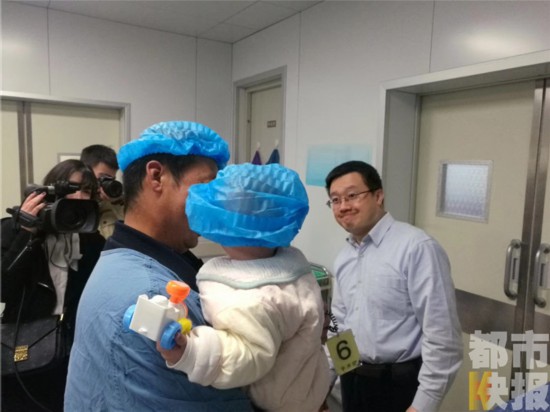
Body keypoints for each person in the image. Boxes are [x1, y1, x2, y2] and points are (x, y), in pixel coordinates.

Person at [64, 121, 252, 411]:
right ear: (156, 176)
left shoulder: (122, 258)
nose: (215, 205)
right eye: (206, 187)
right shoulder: (154, 295)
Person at [157, 163, 331, 412]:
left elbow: (248, 356)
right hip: (307, 389)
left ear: (231, 222)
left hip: (276, 405)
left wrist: (191, 352)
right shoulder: (291, 266)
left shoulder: (252, 299)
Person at [324, 160, 463, 412]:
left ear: (378, 196)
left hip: (400, 387)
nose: (343, 206)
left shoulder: (416, 248)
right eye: (335, 200)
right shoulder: (344, 257)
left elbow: (442, 337)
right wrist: (325, 386)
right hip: (353, 382)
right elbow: (339, 327)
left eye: (352, 196)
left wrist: (422, 406)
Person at [1, 159, 105, 412]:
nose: (80, 197)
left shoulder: (92, 240)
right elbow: (3, 288)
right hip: (24, 347)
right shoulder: (12, 228)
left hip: (74, 350)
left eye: (87, 190)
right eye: (72, 188)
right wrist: (26, 231)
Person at [80, 144, 124, 239]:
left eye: (111, 179)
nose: (107, 183)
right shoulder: (71, 199)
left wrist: (115, 203)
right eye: (103, 177)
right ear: (85, 172)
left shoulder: (116, 203)